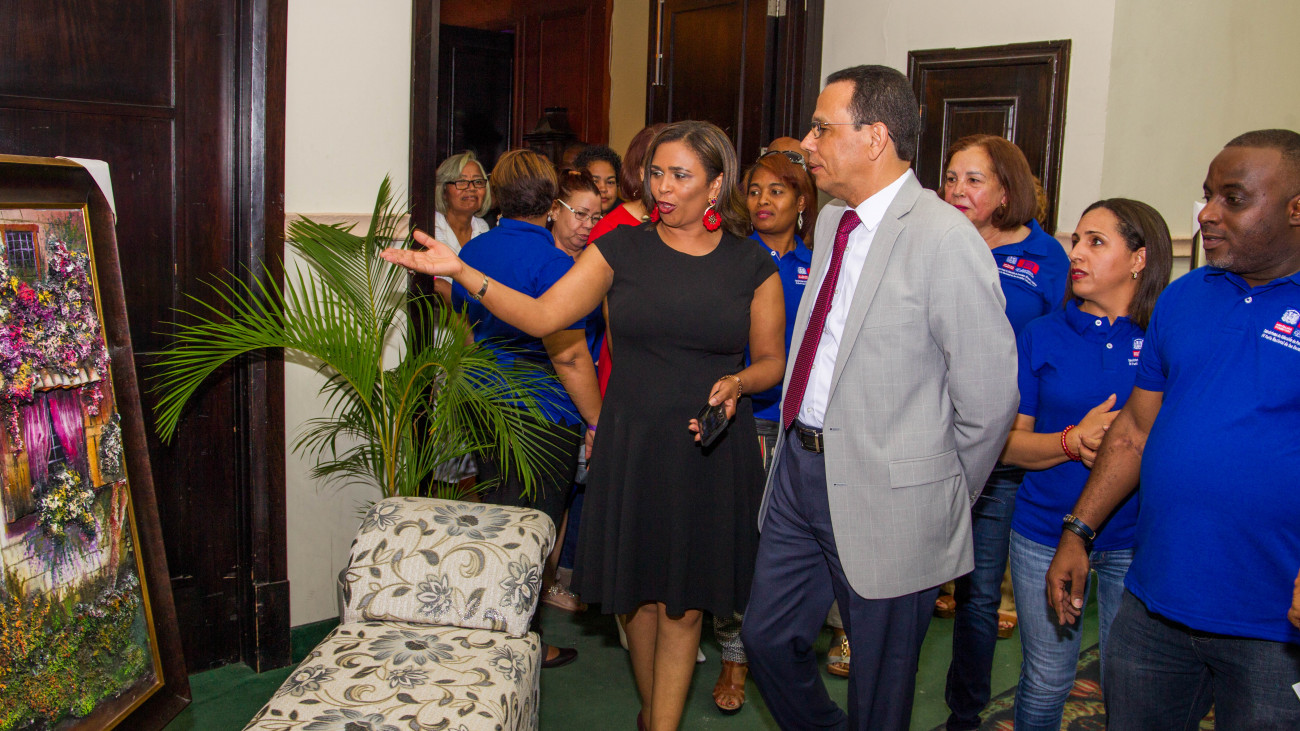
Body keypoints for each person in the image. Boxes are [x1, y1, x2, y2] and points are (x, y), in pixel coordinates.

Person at [382, 120, 786, 731]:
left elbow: (772, 361)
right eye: (656, 173)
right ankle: (653, 714)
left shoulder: (750, 264)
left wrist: (739, 382)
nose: (663, 187)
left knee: (683, 607)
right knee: (639, 600)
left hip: (706, 447)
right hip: (634, 441)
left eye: (680, 175)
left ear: (716, 183)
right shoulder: (618, 248)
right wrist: (461, 272)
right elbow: (543, 316)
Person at [740, 65, 1018, 729]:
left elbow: (989, 400)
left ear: (875, 137)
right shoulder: (833, 218)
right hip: (800, 471)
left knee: (880, 684)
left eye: (822, 128)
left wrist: (938, 496)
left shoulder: (944, 238)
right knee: (766, 638)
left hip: (894, 496)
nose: (807, 143)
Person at [1045, 129, 1300, 729]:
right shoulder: (1183, 299)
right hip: (1155, 604)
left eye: (1233, 199)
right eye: (1208, 195)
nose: (1207, 213)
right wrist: (1078, 531)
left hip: (1275, 626)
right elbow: (1134, 430)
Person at [1002, 199, 1172, 730]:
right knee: (1048, 678)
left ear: (1139, 259)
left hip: (1136, 538)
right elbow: (1007, 447)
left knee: (1132, 683)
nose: (1076, 253)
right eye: (1077, 240)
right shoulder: (1041, 335)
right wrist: (1072, 440)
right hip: (1044, 531)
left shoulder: (1165, 341)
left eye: (1096, 242)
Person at [448, 149, 602, 669]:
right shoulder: (555, 264)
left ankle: (488, 629)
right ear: (552, 200)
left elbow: (465, 327)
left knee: (495, 519)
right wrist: (596, 420)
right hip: (541, 411)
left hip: (484, 400)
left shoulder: (473, 250)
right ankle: (518, 641)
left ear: (496, 194)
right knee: (533, 531)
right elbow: (570, 355)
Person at [939, 134, 1070, 731]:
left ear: (1006, 191)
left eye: (973, 180)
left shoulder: (1047, 258)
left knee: (980, 595)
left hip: (999, 453)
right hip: (931, 440)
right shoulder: (939, 240)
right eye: (951, 177)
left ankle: (964, 715)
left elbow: (1059, 345)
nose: (957, 190)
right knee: (909, 587)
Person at [708, 148, 816, 714]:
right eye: (754, 190)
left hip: (805, 422)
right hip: (744, 413)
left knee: (789, 543)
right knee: (737, 538)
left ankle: (786, 643)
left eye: (778, 190)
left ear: (802, 201)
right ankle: (734, 654)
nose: (763, 201)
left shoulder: (820, 264)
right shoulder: (730, 257)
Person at [541, 168, 605, 615]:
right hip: (551, 401)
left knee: (566, 496)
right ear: (553, 210)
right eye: (579, 214)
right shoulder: (549, 264)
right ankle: (542, 586)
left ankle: (551, 582)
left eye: (594, 217)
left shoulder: (590, 265)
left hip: (588, 393)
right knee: (549, 502)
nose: (587, 225)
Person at [430, 151, 492, 303]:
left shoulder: (483, 228)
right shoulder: (430, 228)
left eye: (478, 182)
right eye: (461, 182)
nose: (471, 188)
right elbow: (428, 282)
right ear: (444, 191)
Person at [573, 144, 623, 215]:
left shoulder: (627, 218)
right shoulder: (569, 214)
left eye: (610, 182)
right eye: (595, 181)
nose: (603, 189)